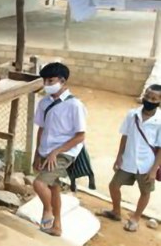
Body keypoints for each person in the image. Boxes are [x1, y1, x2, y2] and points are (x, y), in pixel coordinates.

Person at [33, 62, 86, 237]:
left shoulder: (74, 105)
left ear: (62, 81)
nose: (47, 84)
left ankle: (47, 211)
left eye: (51, 80)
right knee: (53, 187)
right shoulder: (43, 103)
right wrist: (37, 154)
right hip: (46, 150)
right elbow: (41, 129)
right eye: (45, 81)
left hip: (64, 152)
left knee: (39, 183)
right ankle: (57, 225)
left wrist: (56, 152)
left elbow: (80, 136)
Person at [99, 85, 161, 232]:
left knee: (145, 192)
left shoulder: (160, 121)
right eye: (147, 96)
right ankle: (116, 211)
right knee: (114, 185)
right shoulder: (132, 114)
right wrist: (119, 156)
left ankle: (135, 219)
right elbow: (125, 136)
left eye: (153, 98)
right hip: (128, 160)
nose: (149, 100)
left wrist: (153, 169)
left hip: (147, 164)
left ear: (159, 101)